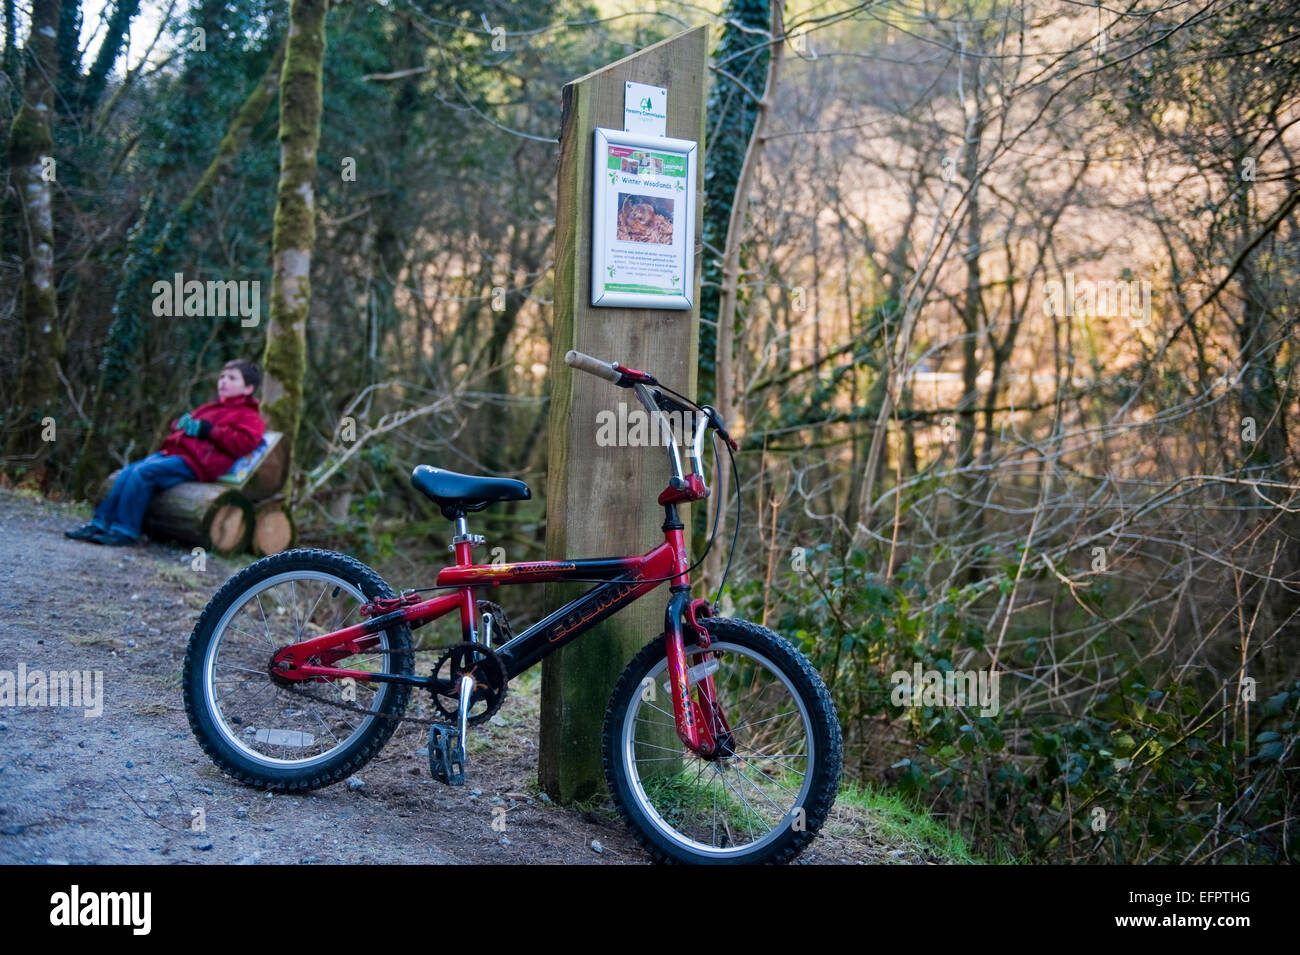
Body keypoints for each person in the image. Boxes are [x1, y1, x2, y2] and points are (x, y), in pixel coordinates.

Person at [66, 360, 267, 546]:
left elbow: (244, 443)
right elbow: (182, 424)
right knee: (128, 471)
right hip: (174, 453)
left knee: (143, 474)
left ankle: (125, 531)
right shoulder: (211, 407)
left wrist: (208, 431)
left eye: (232, 378)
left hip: (196, 463)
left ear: (248, 388)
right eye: (222, 376)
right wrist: (182, 425)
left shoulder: (249, 416)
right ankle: (99, 523)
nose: (223, 382)